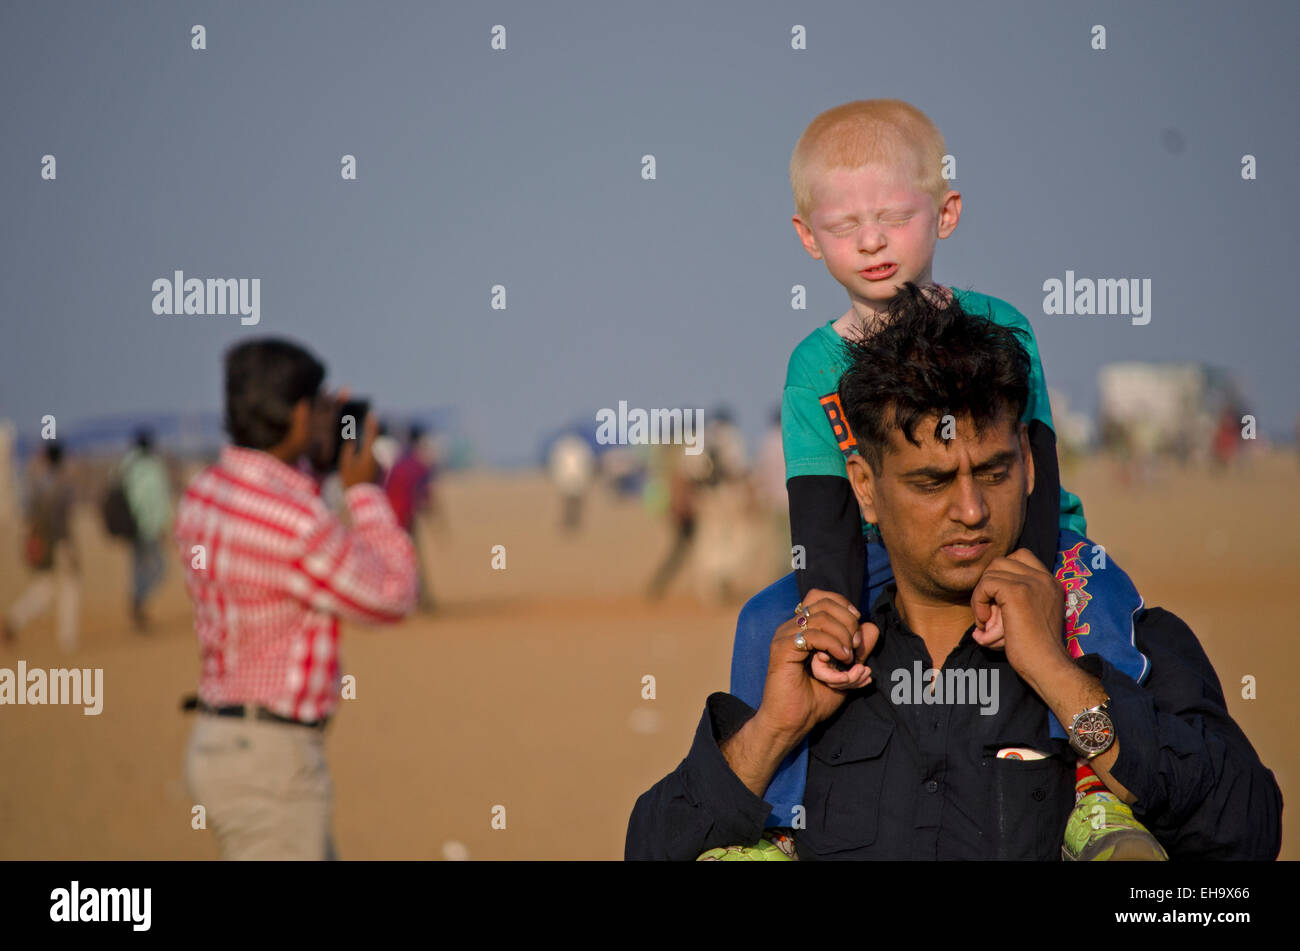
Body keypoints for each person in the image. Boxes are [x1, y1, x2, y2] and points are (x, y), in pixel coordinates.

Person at [626, 303, 1282, 861]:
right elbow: (652, 847)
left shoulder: (1117, 632)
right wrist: (772, 731)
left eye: (993, 472)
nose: (970, 510)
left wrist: (1060, 677)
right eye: (932, 481)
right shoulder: (813, 665)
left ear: (1028, 464)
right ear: (865, 488)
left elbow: (1246, 829)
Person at [729, 100, 1153, 849]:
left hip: (1023, 535)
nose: (871, 241)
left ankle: (1097, 794)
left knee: (1098, 589)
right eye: (843, 226)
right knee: (769, 618)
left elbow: (1036, 468)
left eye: (894, 217)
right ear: (807, 237)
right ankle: (778, 826)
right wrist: (828, 608)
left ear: (945, 213)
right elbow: (821, 511)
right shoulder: (813, 367)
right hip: (882, 553)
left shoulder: (1003, 327)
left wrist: (1029, 574)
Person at [174, 338, 417, 860]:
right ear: (301, 414)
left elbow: (275, 499)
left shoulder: (204, 494)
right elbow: (392, 594)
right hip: (273, 761)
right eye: (322, 405)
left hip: (220, 739)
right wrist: (364, 491)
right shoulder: (296, 524)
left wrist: (319, 463)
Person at [3, 442, 81, 653]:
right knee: (69, 588)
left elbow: (29, 514)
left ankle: (16, 618)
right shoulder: (64, 485)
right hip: (60, 543)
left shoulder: (37, 484)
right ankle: (67, 638)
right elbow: (63, 520)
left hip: (43, 542)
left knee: (45, 588)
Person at [118, 428, 173, 630]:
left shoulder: (126, 466)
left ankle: (138, 604)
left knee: (138, 569)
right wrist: (163, 524)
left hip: (132, 528)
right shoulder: (153, 468)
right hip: (148, 527)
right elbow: (157, 498)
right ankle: (139, 600)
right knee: (160, 569)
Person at [383, 422, 439, 611]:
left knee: (395, 556)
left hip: (388, 515)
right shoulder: (419, 465)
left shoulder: (397, 462)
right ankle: (413, 597)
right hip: (404, 516)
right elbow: (426, 496)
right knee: (409, 557)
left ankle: (407, 596)